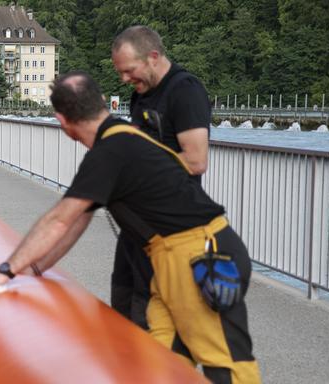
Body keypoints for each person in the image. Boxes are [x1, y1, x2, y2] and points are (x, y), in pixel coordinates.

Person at [0, 72, 258, 384]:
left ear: (62, 120)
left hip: (198, 255)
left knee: (225, 362)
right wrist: (36, 268)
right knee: (160, 357)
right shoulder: (122, 138)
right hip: (173, 259)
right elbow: (78, 219)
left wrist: (7, 270)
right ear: (102, 102)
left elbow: (60, 218)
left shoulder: (111, 151)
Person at [109, 25, 212, 329]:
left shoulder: (185, 90)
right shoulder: (140, 95)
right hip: (135, 229)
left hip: (170, 229)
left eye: (129, 70)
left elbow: (195, 160)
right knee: (123, 307)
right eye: (121, 73)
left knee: (153, 319)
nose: (125, 79)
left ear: (153, 57)